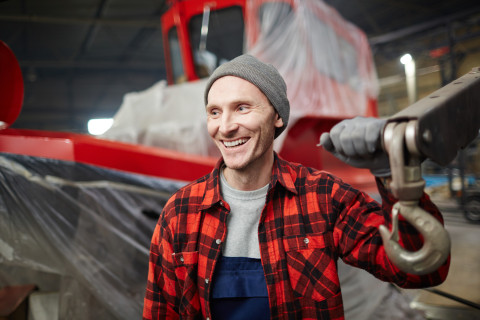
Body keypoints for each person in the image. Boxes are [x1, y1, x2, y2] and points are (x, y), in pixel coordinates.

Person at [143, 54, 449, 320]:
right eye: (214, 112)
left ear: (277, 116)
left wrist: (392, 171)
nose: (225, 127)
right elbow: (160, 313)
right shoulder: (180, 213)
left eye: (242, 108)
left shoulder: (322, 197)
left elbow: (421, 268)